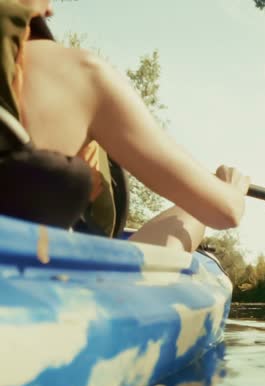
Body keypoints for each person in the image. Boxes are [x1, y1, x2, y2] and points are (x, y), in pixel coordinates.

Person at [3, 0, 250, 252]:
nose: (49, 10)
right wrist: (232, 190)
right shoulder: (82, 74)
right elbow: (225, 212)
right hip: (29, 268)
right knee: (191, 214)